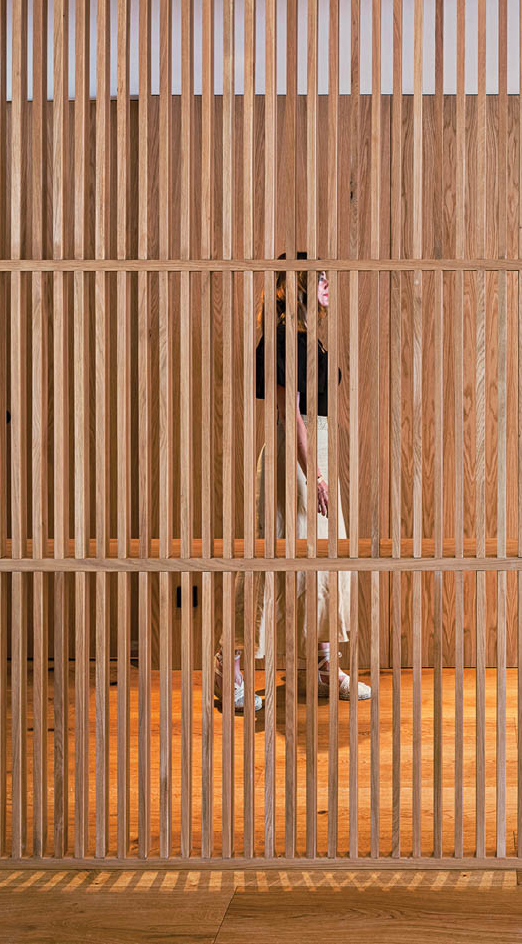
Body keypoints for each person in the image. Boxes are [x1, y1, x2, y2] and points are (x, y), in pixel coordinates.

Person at [216, 257, 372, 713]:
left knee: (327, 560)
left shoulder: (307, 340)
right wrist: (314, 471)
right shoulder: (284, 340)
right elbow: (291, 413)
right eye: (320, 278)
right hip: (295, 457)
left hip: (314, 455)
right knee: (271, 560)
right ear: (300, 285)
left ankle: (325, 666)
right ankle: (231, 668)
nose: (328, 284)